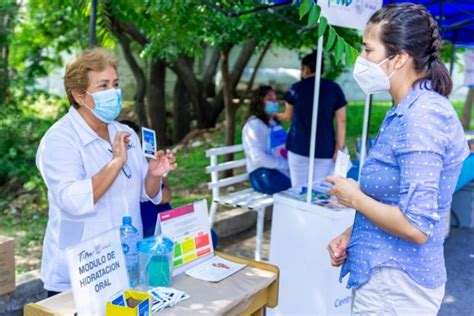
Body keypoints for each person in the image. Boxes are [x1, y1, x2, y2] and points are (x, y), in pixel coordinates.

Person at [326, 4, 470, 315]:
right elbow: (396, 198)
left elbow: (416, 226)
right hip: (386, 278)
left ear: (399, 58)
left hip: (394, 287)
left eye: (368, 50)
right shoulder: (407, 108)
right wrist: (353, 234)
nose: (361, 61)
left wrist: (353, 198)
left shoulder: (421, 117)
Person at [36, 48, 177, 296]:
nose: (113, 93)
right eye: (103, 86)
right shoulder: (59, 140)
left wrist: (154, 174)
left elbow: (147, 194)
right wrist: (116, 162)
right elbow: (72, 201)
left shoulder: (124, 132)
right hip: (80, 274)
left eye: (115, 84)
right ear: (80, 95)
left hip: (123, 266)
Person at [276, 51, 347, 187]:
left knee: (298, 189)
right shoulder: (334, 89)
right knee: (317, 190)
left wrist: (274, 115)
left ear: (306, 68)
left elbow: (288, 116)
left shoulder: (295, 89)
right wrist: (339, 147)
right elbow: (341, 121)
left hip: (298, 146)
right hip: (325, 148)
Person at [242, 86, 291, 194]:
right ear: (259, 102)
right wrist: (284, 164)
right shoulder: (254, 125)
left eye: (275, 99)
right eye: (269, 99)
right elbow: (258, 157)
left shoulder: (273, 122)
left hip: (279, 169)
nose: (274, 103)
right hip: (262, 174)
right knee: (296, 188)